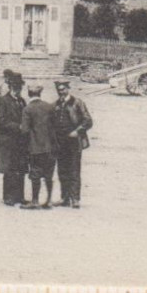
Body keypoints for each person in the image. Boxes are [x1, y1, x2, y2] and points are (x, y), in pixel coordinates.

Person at [50, 79, 93, 208]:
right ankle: (65, 198)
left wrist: (77, 131)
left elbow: (88, 121)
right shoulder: (55, 105)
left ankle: (75, 199)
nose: (61, 92)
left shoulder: (77, 103)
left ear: (68, 89)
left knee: (74, 170)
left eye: (63, 89)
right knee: (62, 170)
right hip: (60, 142)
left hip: (74, 142)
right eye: (59, 90)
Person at [0, 69, 28, 206]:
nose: (17, 89)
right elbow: (0, 121)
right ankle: (8, 197)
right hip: (8, 141)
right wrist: (17, 126)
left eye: (19, 87)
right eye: (15, 87)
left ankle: (20, 196)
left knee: (21, 168)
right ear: (10, 87)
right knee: (9, 170)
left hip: (20, 141)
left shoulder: (22, 101)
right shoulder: (3, 101)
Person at [21, 84, 57, 208]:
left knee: (35, 174)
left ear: (29, 94)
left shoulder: (27, 109)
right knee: (48, 175)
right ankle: (49, 201)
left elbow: (25, 130)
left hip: (35, 148)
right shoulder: (49, 107)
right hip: (50, 147)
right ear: (40, 94)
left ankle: (35, 201)